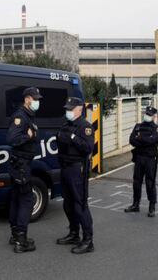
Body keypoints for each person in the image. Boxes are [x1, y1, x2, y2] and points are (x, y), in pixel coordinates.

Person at [56, 97, 95, 254]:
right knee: (68, 204)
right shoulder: (66, 125)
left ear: (79, 110)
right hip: (65, 167)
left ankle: (88, 240)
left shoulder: (85, 127)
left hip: (77, 169)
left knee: (80, 205)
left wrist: (73, 138)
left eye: (71, 109)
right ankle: (74, 233)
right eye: (67, 109)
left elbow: (88, 147)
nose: (68, 112)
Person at [6, 87, 42, 253]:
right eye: (35, 99)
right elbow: (12, 139)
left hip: (20, 164)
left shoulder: (28, 115)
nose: (37, 102)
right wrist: (29, 136)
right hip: (21, 165)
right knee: (26, 200)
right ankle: (21, 240)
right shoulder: (21, 116)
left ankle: (15, 234)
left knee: (16, 197)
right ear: (27, 99)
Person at [125, 106, 158, 217]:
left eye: (149, 115)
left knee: (150, 182)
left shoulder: (157, 129)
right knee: (136, 182)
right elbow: (131, 140)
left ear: (154, 116)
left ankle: (152, 207)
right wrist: (143, 140)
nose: (147, 116)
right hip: (139, 157)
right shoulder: (138, 126)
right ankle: (136, 204)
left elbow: (152, 140)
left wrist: (139, 138)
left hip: (150, 159)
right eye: (146, 114)